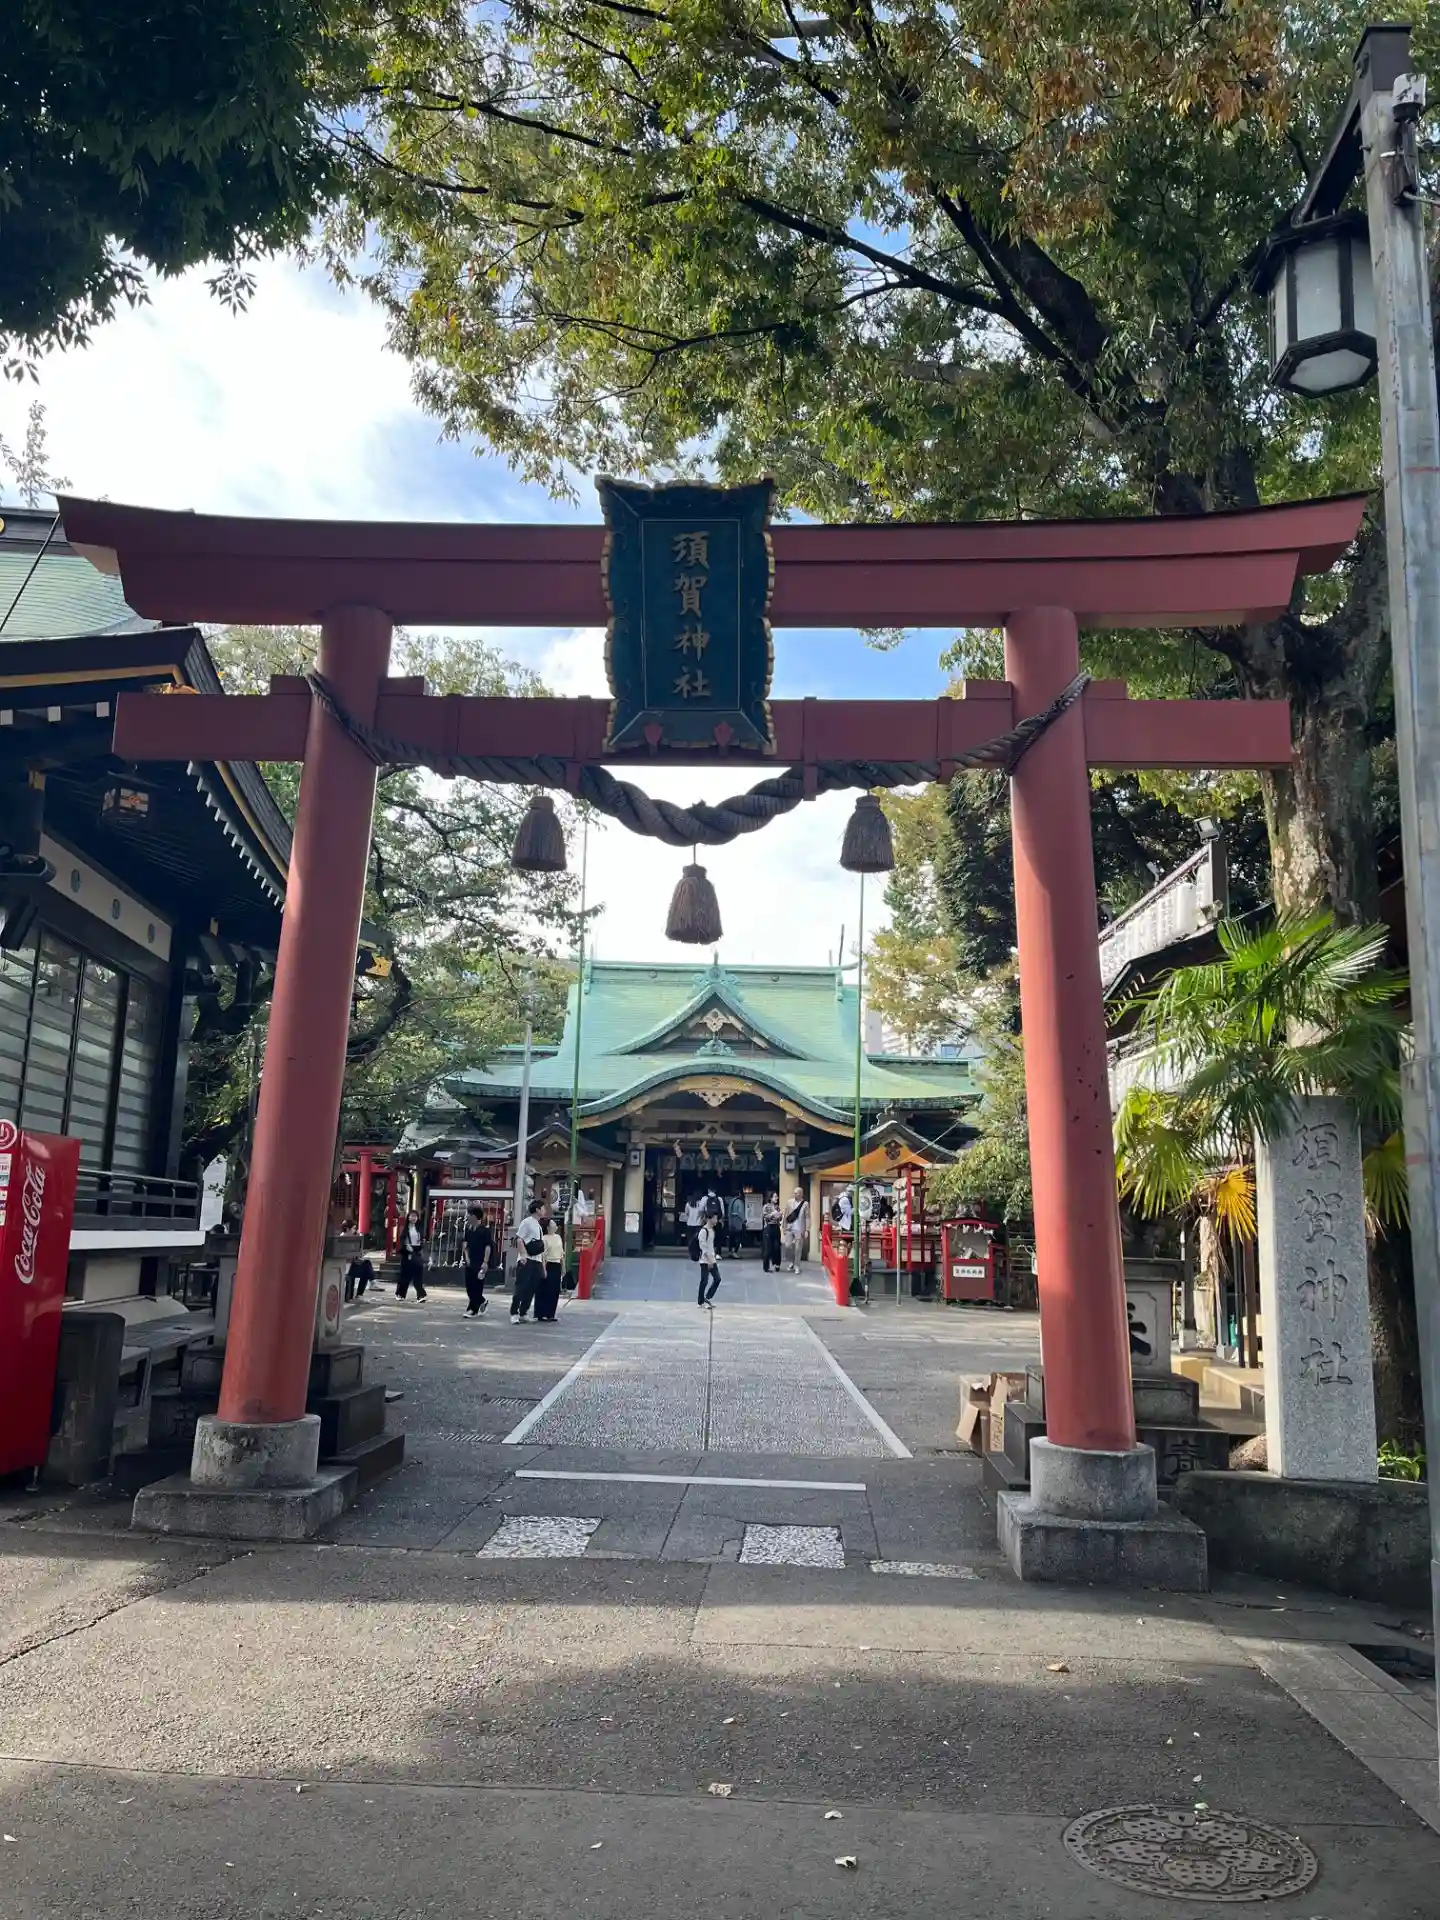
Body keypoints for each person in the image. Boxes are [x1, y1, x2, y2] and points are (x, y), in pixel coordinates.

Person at [511, 1200, 546, 1321]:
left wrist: (542, 1264)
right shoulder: (527, 1222)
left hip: (537, 1260)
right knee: (521, 1286)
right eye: (543, 1208)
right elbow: (519, 1239)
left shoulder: (538, 1224)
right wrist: (523, 1255)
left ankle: (523, 1312)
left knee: (531, 1288)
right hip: (527, 1259)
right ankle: (514, 1313)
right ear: (537, 1209)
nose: (544, 1210)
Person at [462, 1204, 493, 1317]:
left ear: (474, 1216)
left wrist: (485, 1262)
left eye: (468, 1214)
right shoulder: (468, 1230)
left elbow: (488, 1246)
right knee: (469, 1287)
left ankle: (473, 1309)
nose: (467, 1217)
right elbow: (465, 1245)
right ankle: (482, 1301)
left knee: (477, 1286)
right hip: (470, 1261)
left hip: (480, 1262)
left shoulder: (484, 1231)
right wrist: (467, 1257)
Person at [537, 1217, 566, 1321]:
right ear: (548, 1227)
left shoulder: (558, 1237)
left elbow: (561, 1253)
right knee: (546, 1290)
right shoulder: (544, 1238)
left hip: (557, 1264)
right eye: (553, 1223)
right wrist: (543, 1269)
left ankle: (551, 1314)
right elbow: (543, 1255)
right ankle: (542, 1313)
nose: (555, 1225)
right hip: (548, 1264)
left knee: (555, 1290)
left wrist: (563, 1266)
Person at [396, 1211, 428, 1301]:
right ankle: (400, 1294)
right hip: (407, 1252)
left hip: (417, 1252)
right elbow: (402, 1239)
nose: (413, 1218)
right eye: (412, 1216)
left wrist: (422, 1243)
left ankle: (421, 1295)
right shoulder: (405, 1228)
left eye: (415, 1216)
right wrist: (407, 1247)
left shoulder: (419, 1228)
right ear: (408, 1217)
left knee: (418, 1274)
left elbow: (422, 1239)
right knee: (405, 1275)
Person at [696, 1214, 721, 1308]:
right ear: (709, 1219)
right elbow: (703, 1247)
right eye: (715, 1218)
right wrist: (708, 1260)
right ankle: (700, 1301)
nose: (716, 1220)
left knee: (717, 1279)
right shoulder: (703, 1231)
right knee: (704, 1281)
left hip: (712, 1259)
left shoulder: (712, 1230)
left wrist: (713, 1258)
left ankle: (707, 1297)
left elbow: (710, 1246)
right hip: (704, 1260)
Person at [783, 1191, 809, 1272]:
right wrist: (784, 1227)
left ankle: (797, 1266)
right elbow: (785, 1215)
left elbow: (807, 1217)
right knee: (787, 1246)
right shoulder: (789, 1202)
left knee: (798, 1248)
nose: (794, 1194)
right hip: (790, 1228)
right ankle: (791, 1261)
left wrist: (807, 1230)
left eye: (796, 1193)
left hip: (799, 1229)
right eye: (794, 1193)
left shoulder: (805, 1204)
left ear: (801, 1194)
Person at [761, 1192, 782, 1273]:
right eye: (775, 1196)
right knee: (768, 1248)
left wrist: (779, 1215)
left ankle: (776, 1264)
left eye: (777, 1196)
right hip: (768, 1227)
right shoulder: (766, 1206)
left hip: (776, 1227)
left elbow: (779, 1219)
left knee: (777, 1247)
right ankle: (766, 1267)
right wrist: (772, 1214)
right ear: (770, 1198)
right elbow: (765, 1217)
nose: (777, 1198)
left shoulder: (777, 1207)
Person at [682, 1190, 705, 1262]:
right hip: (698, 1224)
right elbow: (702, 1213)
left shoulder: (688, 1204)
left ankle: (691, 1254)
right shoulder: (701, 1204)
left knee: (690, 1240)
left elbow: (686, 1213)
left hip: (690, 1224)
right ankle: (698, 1253)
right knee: (698, 1240)